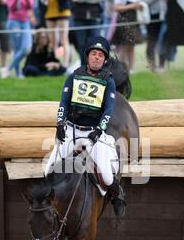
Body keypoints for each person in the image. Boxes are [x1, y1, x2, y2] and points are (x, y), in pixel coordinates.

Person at [44, 36, 126, 217]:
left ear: (104, 60)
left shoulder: (109, 82)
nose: (96, 57)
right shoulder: (73, 77)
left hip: (93, 134)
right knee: (48, 169)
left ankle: (117, 194)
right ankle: (48, 208)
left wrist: (99, 130)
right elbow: (64, 103)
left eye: (100, 55)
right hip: (71, 130)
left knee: (106, 176)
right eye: (93, 54)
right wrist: (60, 124)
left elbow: (108, 109)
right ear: (87, 56)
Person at [70, 0, 104, 66]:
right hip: (79, 19)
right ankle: (84, 67)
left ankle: (95, 67)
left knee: (95, 45)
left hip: (94, 18)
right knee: (82, 45)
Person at [2, 0, 34, 78]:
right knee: (17, 49)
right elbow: (11, 8)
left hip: (25, 21)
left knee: (26, 48)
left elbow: (31, 6)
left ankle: (8, 68)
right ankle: (18, 74)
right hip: (13, 21)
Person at [112, 0, 144, 74]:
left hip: (135, 23)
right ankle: (121, 69)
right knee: (124, 47)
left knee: (132, 47)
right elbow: (117, 8)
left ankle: (131, 68)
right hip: (124, 23)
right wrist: (132, 6)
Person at [141, 0, 167, 72]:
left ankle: (162, 65)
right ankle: (152, 66)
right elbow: (144, 0)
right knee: (151, 41)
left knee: (164, 40)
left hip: (166, 15)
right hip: (153, 16)